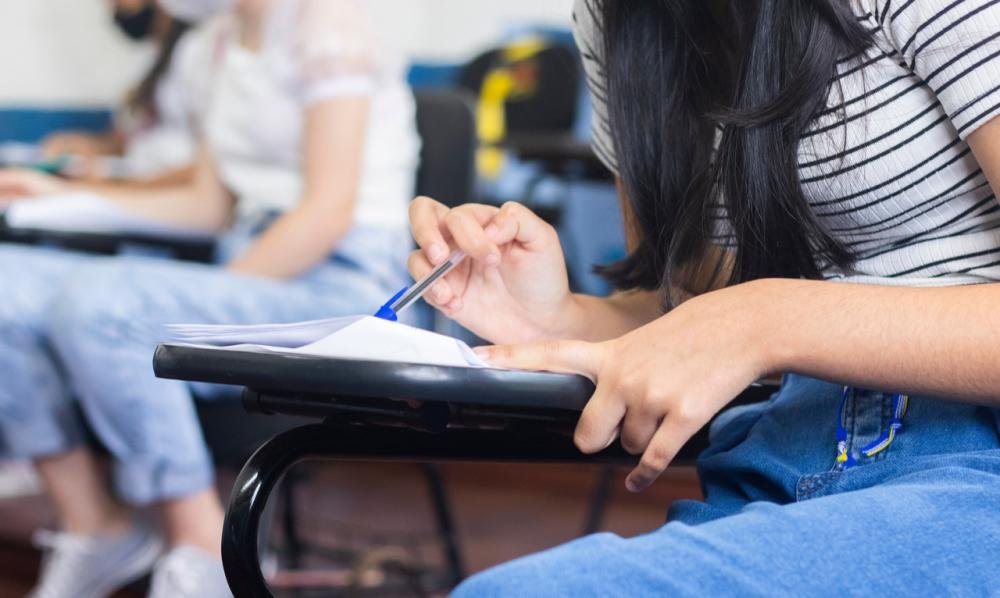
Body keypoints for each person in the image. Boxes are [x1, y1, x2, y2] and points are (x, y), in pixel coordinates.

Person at [407, 0, 1000, 594]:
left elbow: (740, 322)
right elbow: (695, 309)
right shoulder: (616, 18)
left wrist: (765, 320)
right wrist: (555, 319)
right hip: (777, 456)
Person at [0, 0, 419, 596]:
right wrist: (60, 191)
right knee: (6, 285)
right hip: (249, 260)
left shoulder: (328, 25)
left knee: (105, 308)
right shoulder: (220, 40)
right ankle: (96, 526)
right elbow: (209, 204)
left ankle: (204, 552)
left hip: (342, 282)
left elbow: (325, 214)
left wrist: (196, 316)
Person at [39, 0, 200, 183]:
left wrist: (115, 185)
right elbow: (129, 138)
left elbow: (209, 168)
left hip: (164, 193)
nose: (110, 4)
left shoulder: (200, 52)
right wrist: (92, 147)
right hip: (141, 187)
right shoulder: (147, 59)